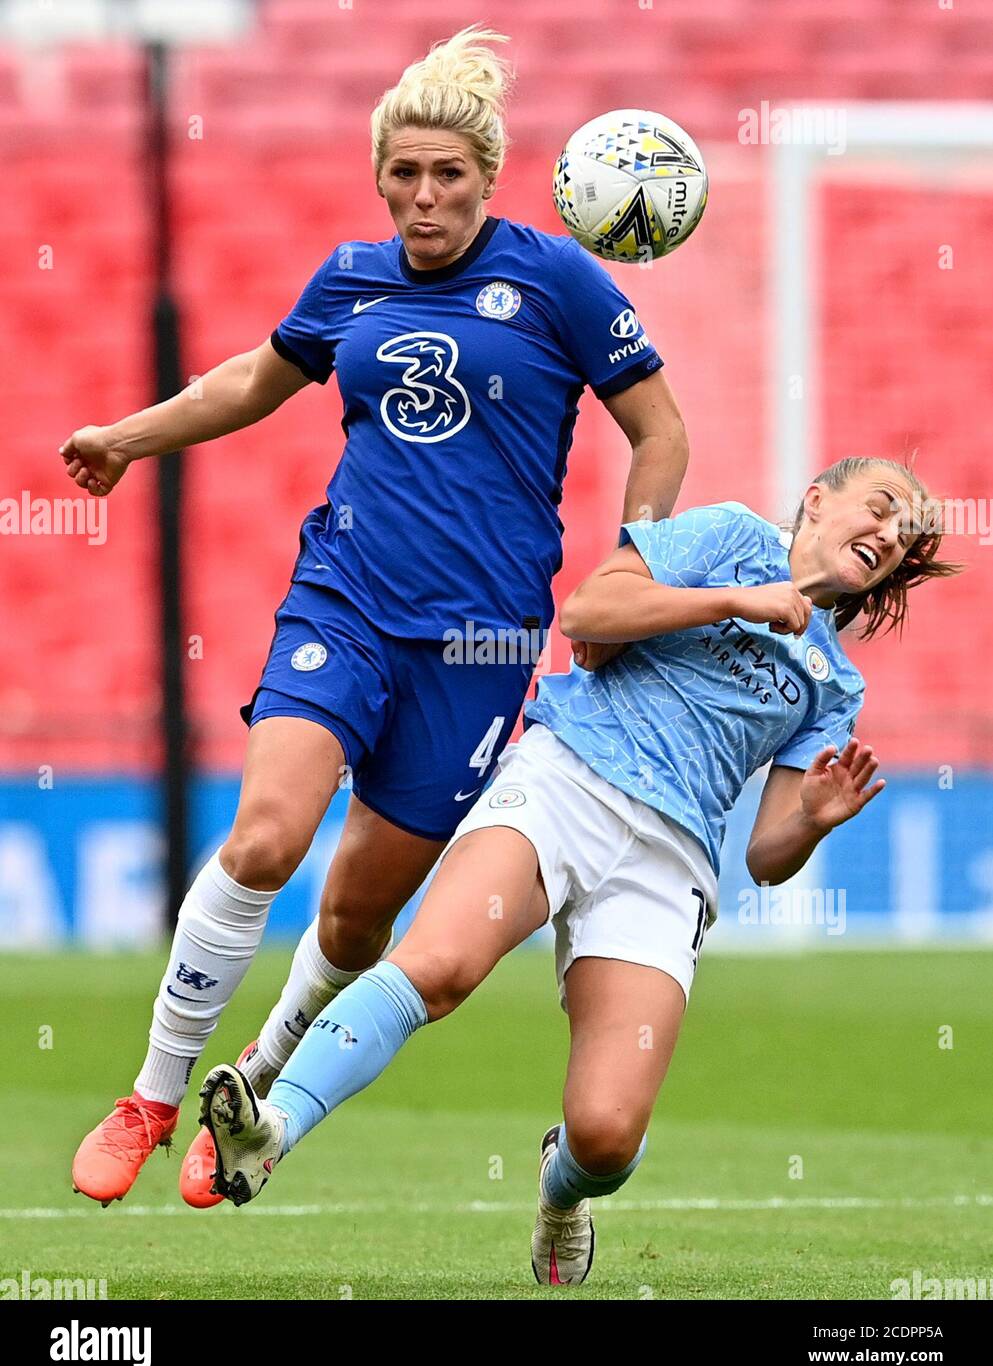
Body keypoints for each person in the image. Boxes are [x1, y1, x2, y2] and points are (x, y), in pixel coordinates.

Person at [65, 25, 689, 1208]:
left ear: (487, 176)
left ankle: (260, 1074)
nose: (422, 194)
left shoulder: (555, 279)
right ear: (380, 176)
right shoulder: (349, 274)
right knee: (264, 838)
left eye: (446, 172)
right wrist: (126, 438)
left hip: (482, 644)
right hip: (344, 600)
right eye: (403, 172)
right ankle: (151, 1092)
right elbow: (254, 377)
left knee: (356, 918)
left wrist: (634, 567)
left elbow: (661, 430)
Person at [197, 456, 960, 1283]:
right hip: (566, 780)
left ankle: (562, 1190)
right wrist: (739, 598)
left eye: (903, 534)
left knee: (605, 1136)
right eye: (879, 506)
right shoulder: (730, 535)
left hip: (668, 862)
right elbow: (588, 609)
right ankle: (271, 1131)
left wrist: (809, 821)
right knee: (438, 966)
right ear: (817, 500)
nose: (887, 533)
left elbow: (764, 859)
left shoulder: (833, 684)